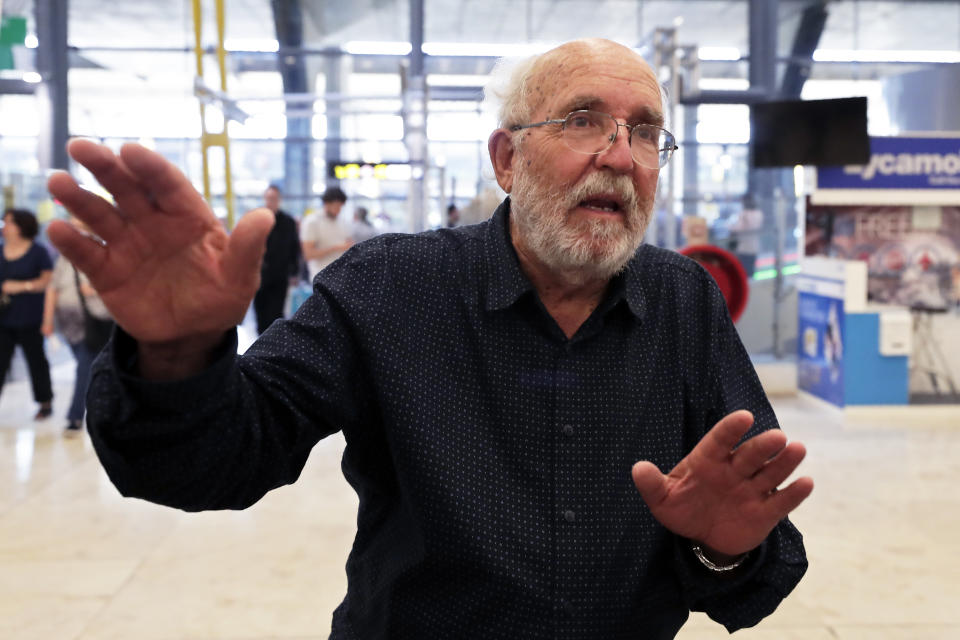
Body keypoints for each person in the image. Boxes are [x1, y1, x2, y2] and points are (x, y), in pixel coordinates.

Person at [46, 39, 812, 639]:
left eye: (646, 133)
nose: (619, 155)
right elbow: (215, 464)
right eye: (583, 120)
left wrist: (723, 549)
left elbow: (749, 548)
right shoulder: (388, 288)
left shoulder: (684, 301)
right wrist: (177, 354)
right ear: (506, 159)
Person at [41, 216, 112, 435]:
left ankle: (75, 416)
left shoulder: (103, 252)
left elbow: (118, 285)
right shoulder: (64, 258)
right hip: (69, 323)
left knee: (84, 368)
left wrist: (97, 289)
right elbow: (53, 288)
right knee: (90, 369)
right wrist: (47, 320)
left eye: (79, 226)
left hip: (95, 320)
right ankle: (104, 408)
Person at [0, 208, 54, 419]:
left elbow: (47, 281)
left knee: (36, 360)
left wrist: (23, 286)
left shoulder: (38, 251)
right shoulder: (1, 250)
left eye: (10, 222)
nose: (6, 226)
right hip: (4, 317)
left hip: (30, 316)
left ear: (22, 226)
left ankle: (45, 402)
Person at [253, 185, 301, 334]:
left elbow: (294, 247)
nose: (270, 202)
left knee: (276, 312)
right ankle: (259, 346)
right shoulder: (257, 220)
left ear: (279, 200)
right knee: (260, 311)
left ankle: (273, 345)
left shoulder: (288, 222)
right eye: (268, 198)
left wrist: (294, 272)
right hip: (259, 275)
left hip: (280, 274)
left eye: (273, 199)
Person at [300, 186, 352, 281]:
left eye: (341, 206)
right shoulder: (312, 221)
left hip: (342, 276)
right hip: (321, 277)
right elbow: (308, 254)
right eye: (336, 206)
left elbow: (349, 243)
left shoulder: (342, 221)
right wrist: (335, 248)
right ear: (326, 203)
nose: (339, 210)